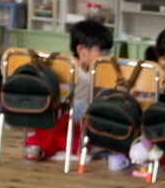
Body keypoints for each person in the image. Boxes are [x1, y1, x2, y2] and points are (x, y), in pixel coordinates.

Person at [22, 18, 112, 161]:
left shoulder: (100, 72)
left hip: (77, 123)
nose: (105, 56)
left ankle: (50, 144)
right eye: (101, 50)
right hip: (57, 118)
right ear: (81, 50)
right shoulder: (65, 67)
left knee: (80, 139)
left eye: (107, 51)